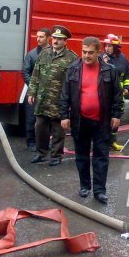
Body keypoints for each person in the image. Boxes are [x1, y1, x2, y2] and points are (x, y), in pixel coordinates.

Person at [61, 37, 123, 204]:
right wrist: (64, 116)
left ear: (98, 52)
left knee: (101, 156)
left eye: (90, 53)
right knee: (81, 156)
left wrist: (116, 115)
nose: (86, 56)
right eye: (84, 52)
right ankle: (84, 186)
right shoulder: (73, 69)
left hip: (102, 121)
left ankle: (99, 191)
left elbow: (117, 95)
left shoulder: (109, 70)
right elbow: (65, 95)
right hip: (79, 121)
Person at [28, 25, 77, 166]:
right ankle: (41, 153)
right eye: (55, 38)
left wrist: (70, 102)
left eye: (59, 39)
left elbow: (73, 83)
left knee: (58, 130)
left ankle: (56, 156)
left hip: (58, 101)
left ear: (65, 41)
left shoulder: (71, 58)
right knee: (40, 127)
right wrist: (32, 92)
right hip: (42, 99)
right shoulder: (44, 53)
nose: (56, 41)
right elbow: (35, 74)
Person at [21, 28, 51, 152]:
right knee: (31, 119)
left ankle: (44, 143)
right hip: (33, 93)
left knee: (46, 120)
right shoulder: (32, 54)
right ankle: (31, 143)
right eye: (37, 36)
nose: (38, 39)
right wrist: (34, 87)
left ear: (49, 38)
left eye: (41, 37)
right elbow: (25, 72)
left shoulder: (54, 54)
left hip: (49, 93)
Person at [101, 33, 129, 151]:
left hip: (118, 96)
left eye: (109, 46)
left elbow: (128, 76)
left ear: (116, 47)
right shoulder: (102, 58)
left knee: (116, 119)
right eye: (106, 46)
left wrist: (127, 88)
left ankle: (112, 143)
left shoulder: (123, 59)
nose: (107, 48)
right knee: (103, 120)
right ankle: (101, 143)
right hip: (105, 95)